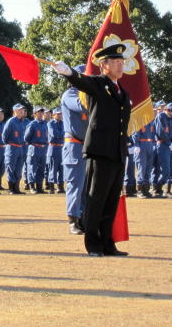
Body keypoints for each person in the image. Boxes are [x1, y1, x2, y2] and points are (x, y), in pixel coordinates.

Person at [53, 43, 131, 257]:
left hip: (116, 153)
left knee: (111, 201)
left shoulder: (121, 90)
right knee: (96, 199)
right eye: (115, 62)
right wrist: (68, 72)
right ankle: (94, 244)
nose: (120, 65)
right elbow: (81, 82)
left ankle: (108, 243)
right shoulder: (98, 84)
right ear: (103, 66)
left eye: (121, 62)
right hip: (100, 152)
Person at [60, 66, 89, 235]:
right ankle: (73, 220)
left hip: (88, 145)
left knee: (87, 186)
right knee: (75, 185)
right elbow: (81, 106)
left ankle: (85, 219)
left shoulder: (88, 95)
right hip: (74, 145)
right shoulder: (70, 94)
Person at [153, 102, 172, 197]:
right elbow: (160, 132)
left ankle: (165, 190)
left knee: (171, 169)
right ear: (167, 110)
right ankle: (156, 188)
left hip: (170, 145)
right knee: (165, 170)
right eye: (171, 112)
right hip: (163, 145)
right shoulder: (161, 116)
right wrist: (169, 143)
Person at [2, 103, 27, 195]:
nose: (22, 111)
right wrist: (10, 144)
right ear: (15, 111)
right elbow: (4, 136)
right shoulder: (11, 121)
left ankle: (16, 188)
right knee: (10, 168)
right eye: (20, 110)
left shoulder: (22, 122)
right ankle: (11, 188)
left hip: (20, 148)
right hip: (12, 147)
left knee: (18, 168)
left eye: (22, 110)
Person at [24, 106, 48, 194]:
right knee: (32, 167)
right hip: (34, 148)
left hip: (43, 148)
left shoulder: (45, 123)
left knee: (41, 168)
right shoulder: (32, 124)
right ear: (35, 113)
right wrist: (33, 143)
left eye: (42, 111)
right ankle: (32, 186)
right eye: (39, 112)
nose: (41, 113)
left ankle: (39, 187)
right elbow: (26, 138)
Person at [133, 120, 156, 198]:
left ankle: (146, 190)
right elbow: (135, 133)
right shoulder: (139, 122)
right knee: (141, 168)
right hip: (141, 145)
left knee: (148, 169)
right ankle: (140, 191)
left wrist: (153, 144)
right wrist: (136, 144)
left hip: (149, 145)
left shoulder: (151, 123)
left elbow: (153, 134)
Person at [47, 107, 65, 194]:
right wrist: (61, 134)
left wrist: (61, 134)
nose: (60, 115)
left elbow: (65, 133)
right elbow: (54, 134)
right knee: (53, 168)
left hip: (61, 147)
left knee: (61, 168)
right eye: (58, 114)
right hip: (53, 147)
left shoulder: (63, 123)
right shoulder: (50, 123)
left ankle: (60, 187)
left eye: (60, 114)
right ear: (54, 115)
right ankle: (51, 187)